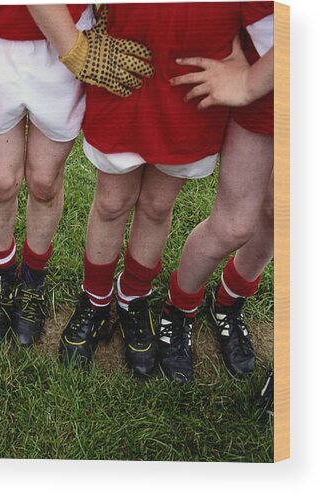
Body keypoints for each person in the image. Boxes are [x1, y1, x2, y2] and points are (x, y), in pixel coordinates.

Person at [28, 3, 273, 379]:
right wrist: (76, 42)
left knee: (158, 205)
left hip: (193, 77)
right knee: (111, 201)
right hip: (123, 62)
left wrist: (252, 74)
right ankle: (95, 300)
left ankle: (133, 299)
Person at [0, 4, 154, 347]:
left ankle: (32, 278)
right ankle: (0, 271)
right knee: (2, 180)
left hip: (66, 37)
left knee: (44, 182)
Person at [162, 2, 275, 381]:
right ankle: (178, 309)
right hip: (268, 94)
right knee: (233, 226)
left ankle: (228, 303)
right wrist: (250, 82)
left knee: (280, 216)